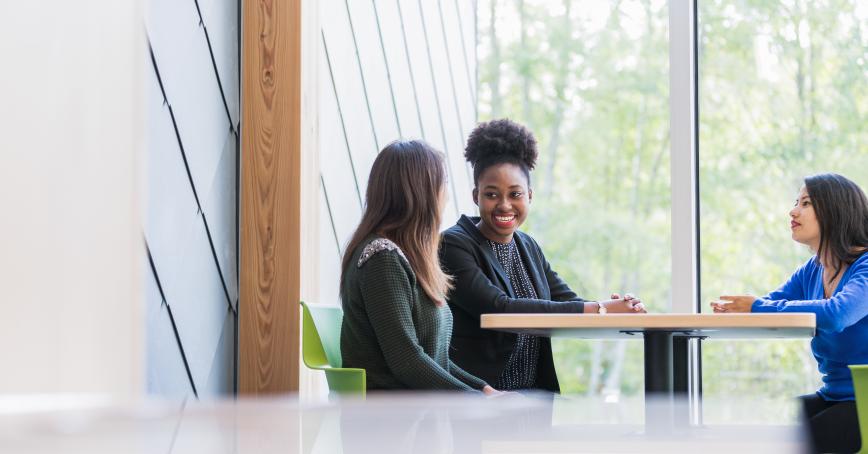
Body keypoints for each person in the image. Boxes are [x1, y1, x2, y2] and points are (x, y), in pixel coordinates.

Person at [439, 119, 646, 393]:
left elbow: (567, 301)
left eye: (515, 194)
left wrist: (617, 307)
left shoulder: (528, 246)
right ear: (476, 196)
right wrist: (600, 308)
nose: (504, 205)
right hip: (482, 396)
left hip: (533, 395)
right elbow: (499, 307)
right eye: (492, 194)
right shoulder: (452, 245)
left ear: (530, 196)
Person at [711, 173, 868, 453]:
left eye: (806, 203)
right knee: (777, 427)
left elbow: (837, 314)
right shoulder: (812, 270)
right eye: (796, 202)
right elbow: (771, 305)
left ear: (836, 210)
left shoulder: (865, 266)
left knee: (793, 441)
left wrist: (756, 307)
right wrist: (737, 310)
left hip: (863, 402)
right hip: (836, 396)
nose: (793, 211)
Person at [340, 139, 500, 394]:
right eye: (443, 183)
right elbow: (407, 361)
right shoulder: (382, 259)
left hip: (417, 407)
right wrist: (477, 402)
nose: (446, 195)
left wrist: (484, 390)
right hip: (391, 414)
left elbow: (437, 361)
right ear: (420, 191)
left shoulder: (404, 256)